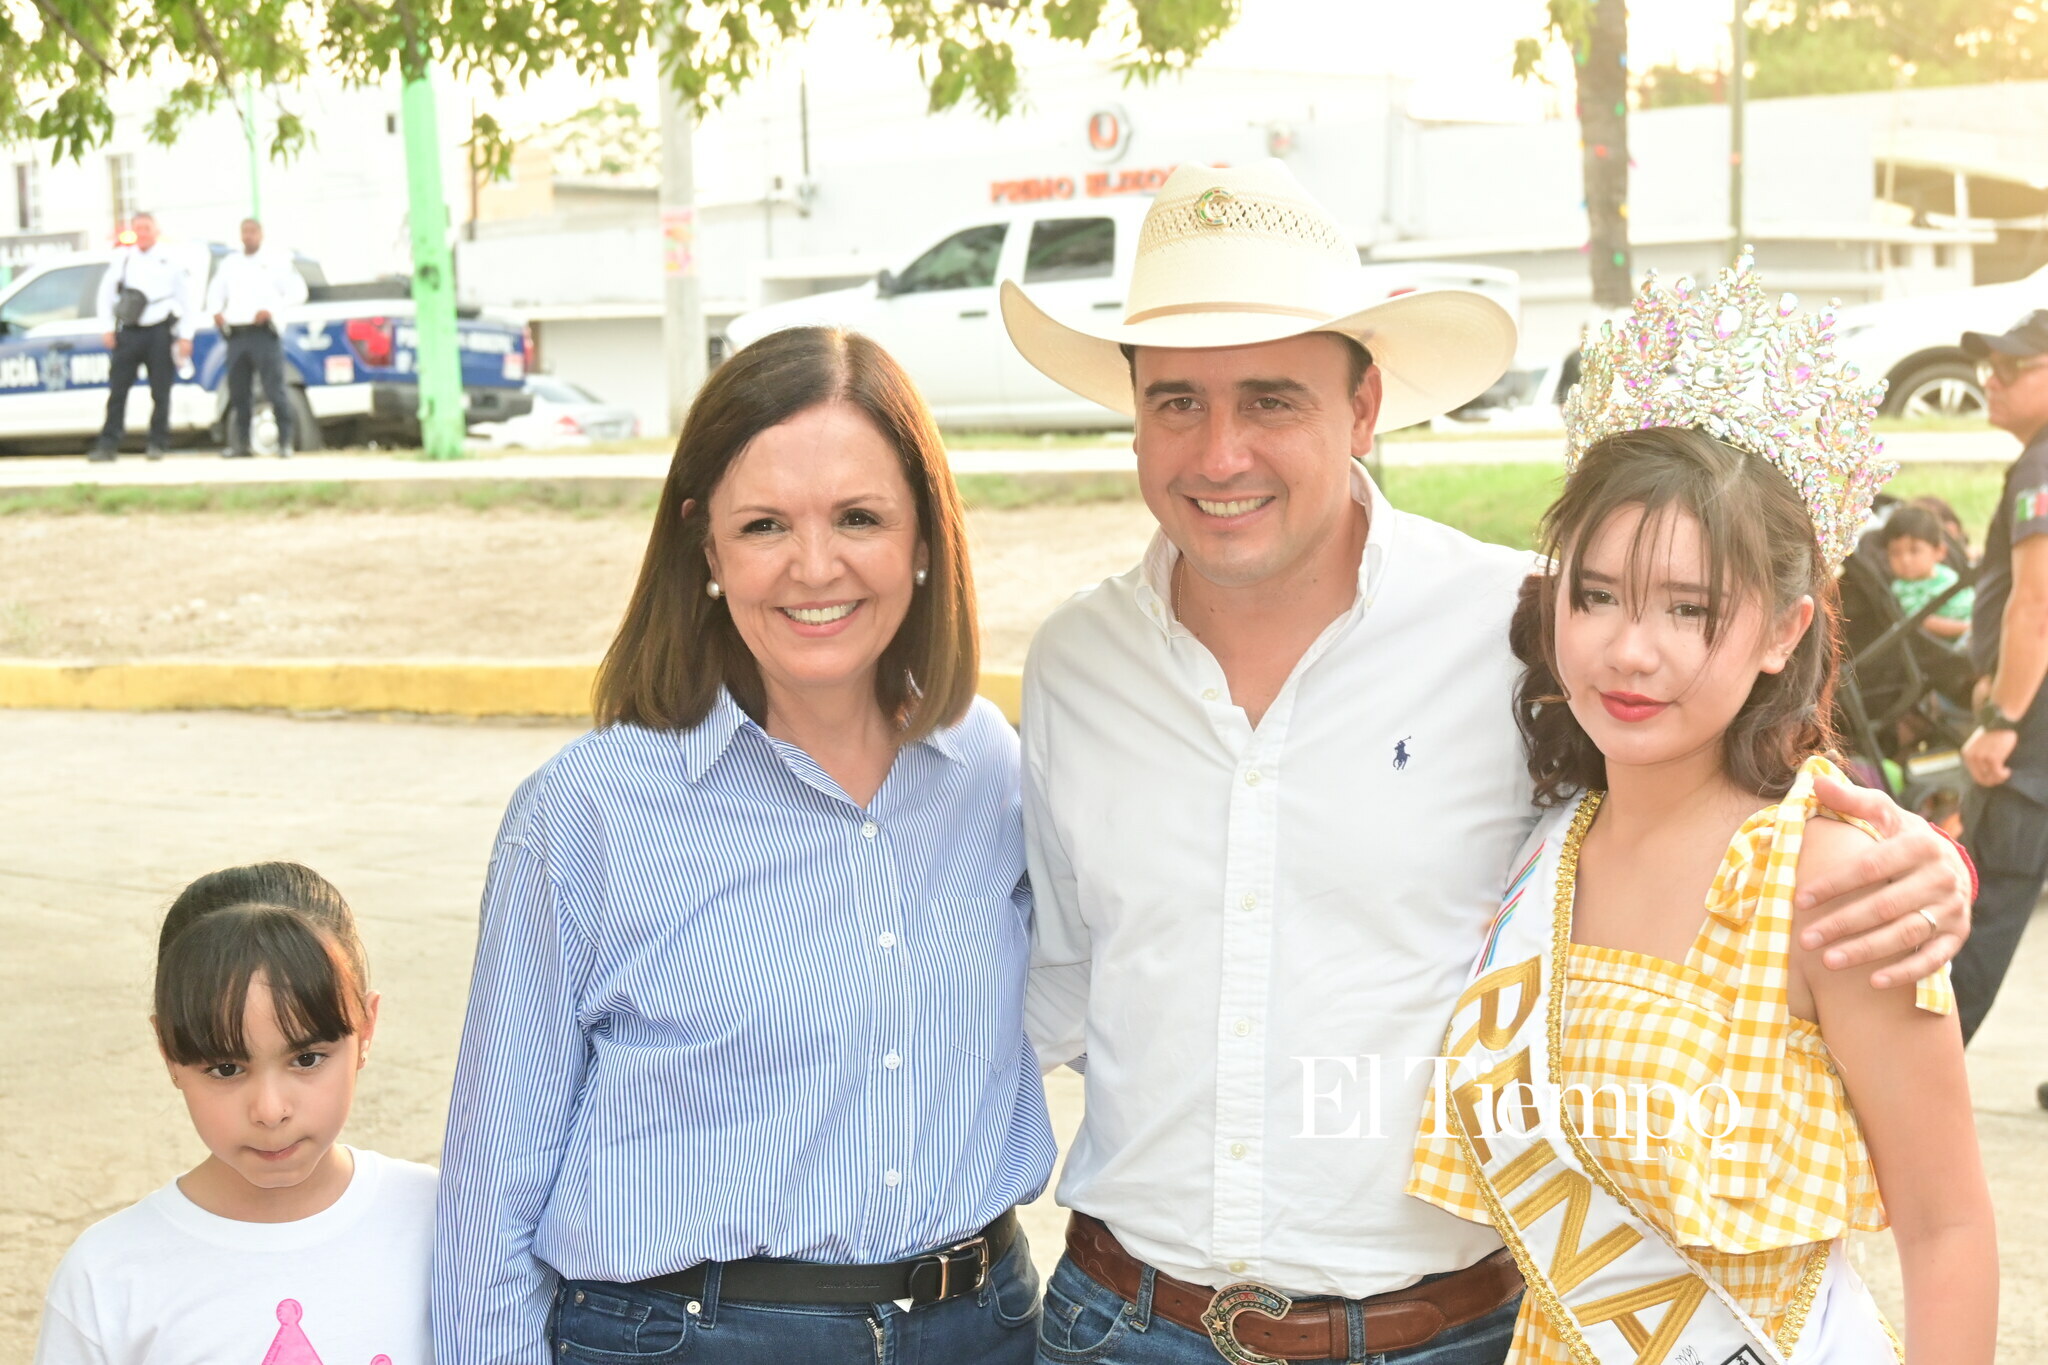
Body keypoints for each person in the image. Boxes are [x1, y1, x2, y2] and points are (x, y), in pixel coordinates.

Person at [1001, 162, 1974, 1365]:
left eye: (1270, 399)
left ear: (1361, 409)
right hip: (1119, 1321)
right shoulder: (1073, 666)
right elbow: (1061, 978)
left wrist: (1917, 857)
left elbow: (1710, 779)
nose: (1219, 453)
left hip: (1439, 1335)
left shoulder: (1521, 630)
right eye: (1174, 403)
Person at [1410, 260, 1996, 1364]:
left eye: (1691, 610)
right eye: (1596, 597)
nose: (1631, 650)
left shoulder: (1830, 881)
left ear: (1782, 631)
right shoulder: (1546, 849)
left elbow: (1947, 1224)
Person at [433, 325, 1055, 1365]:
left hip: (982, 1326)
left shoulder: (988, 769)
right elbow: (491, 1192)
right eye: (764, 524)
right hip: (693, 1339)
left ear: (922, 538)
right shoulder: (586, 813)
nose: (815, 567)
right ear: (704, 549)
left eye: (859, 516)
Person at [33, 862, 436, 1364]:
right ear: (168, 1053)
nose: (270, 1111)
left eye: (307, 1059)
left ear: (367, 1030)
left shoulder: (446, 1224)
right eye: (225, 1068)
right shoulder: (109, 1275)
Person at [1958, 308, 2048, 1049]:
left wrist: (2003, 718)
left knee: (1974, 923)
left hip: (2032, 752)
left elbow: (2039, 601)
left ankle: (1890, 1108)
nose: (1992, 379)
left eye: (2012, 367)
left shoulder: (2043, 465)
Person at [90, 211, 199, 462]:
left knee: (161, 392)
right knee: (118, 391)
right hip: (129, 331)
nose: (142, 233)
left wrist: (186, 335)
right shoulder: (123, 259)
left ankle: (158, 443)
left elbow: (187, 301)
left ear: (155, 231)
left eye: (146, 228)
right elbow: (105, 294)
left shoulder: (170, 260)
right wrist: (107, 327)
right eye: (138, 228)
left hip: (159, 331)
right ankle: (108, 444)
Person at [208, 217, 309, 459]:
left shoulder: (276, 261)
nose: (248, 236)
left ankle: (285, 442)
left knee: (274, 389)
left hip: (263, 332)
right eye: (244, 232)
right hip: (237, 334)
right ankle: (241, 444)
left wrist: (272, 310)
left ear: (261, 234)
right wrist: (217, 313)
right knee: (239, 391)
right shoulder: (230, 263)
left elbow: (298, 292)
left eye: (252, 231)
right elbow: (216, 293)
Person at [1882, 503, 1973, 643]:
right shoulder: (1903, 588)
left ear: (1939, 552)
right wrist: (1966, 628)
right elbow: (1924, 621)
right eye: (1895, 553)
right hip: (1959, 637)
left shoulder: (1947, 573)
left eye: (1914, 551)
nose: (1905, 560)